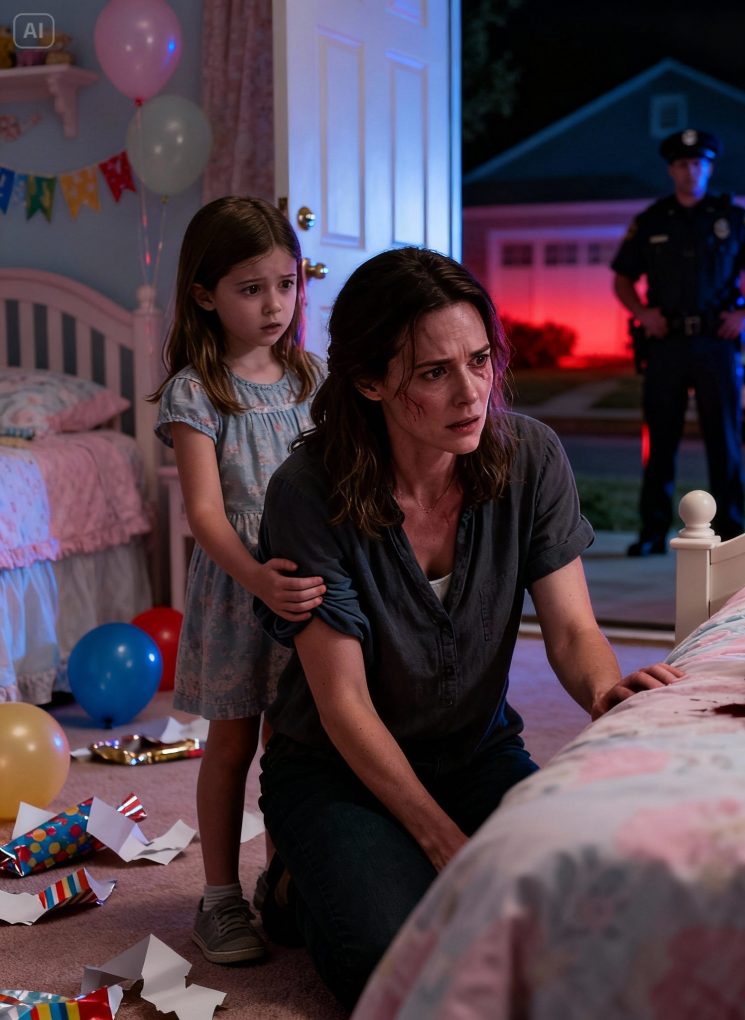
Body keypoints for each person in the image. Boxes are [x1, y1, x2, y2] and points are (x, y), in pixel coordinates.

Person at [253, 246, 684, 1009]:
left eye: (480, 360)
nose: (471, 392)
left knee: (583, 919)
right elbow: (343, 704)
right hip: (336, 772)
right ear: (370, 381)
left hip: (477, 755)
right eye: (434, 373)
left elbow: (572, 630)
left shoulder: (531, 458)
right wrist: (439, 839)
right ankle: (292, 886)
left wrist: (605, 692)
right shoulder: (307, 492)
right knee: (403, 961)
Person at [151, 196, 325, 965]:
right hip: (239, 590)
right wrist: (256, 578)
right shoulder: (197, 390)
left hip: (305, 592)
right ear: (204, 295)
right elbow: (203, 513)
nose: (274, 305)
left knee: (298, 742)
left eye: (285, 284)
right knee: (232, 743)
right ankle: (219, 897)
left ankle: (286, 880)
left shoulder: (311, 378)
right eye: (251, 289)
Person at [611, 128, 745, 552]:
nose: (692, 171)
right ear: (672, 170)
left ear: (709, 168)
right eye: (684, 164)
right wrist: (642, 313)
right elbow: (622, 278)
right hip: (666, 343)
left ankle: (732, 534)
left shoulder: (731, 218)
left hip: (715, 343)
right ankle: (652, 533)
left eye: (699, 163)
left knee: (724, 441)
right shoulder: (652, 221)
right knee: (659, 442)